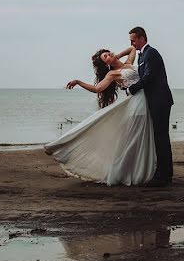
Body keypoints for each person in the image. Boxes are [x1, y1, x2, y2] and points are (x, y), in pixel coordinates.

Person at [43, 47, 157, 186]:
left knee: (142, 139)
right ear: (106, 64)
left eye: (108, 53)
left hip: (146, 101)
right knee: (133, 140)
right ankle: (124, 172)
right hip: (135, 105)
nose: (109, 54)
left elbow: (132, 48)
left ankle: (142, 171)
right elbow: (97, 89)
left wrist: (116, 56)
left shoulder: (128, 62)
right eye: (106, 57)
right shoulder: (113, 74)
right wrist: (78, 82)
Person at [127, 26, 174, 187]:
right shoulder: (142, 56)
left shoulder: (151, 53)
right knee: (158, 137)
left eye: (133, 40)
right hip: (153, 100)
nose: (131, 43)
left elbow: (149, 77)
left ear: (142, 38)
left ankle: (164, 176)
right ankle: (163, 173)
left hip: (160, 100)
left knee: (161, 137)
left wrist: (132, 89)